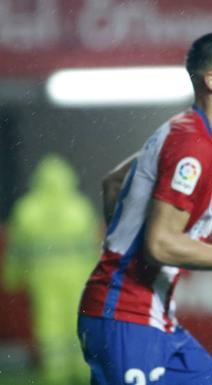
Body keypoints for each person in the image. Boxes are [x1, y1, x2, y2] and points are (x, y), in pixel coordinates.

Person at [77, 32, 212, 385]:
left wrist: (122, 245)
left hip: (150, 317)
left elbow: (115, 183)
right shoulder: (194, 146)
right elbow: (161, 244)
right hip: (125, 316)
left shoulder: (182, 132)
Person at [3, 153, 99, 385]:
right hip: (77, 276)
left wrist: (11, 278)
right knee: (79, 323)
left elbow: (16, 250)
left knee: (50, 325)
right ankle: (83, 370)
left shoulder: (26, 209)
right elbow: (93, 248)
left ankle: (56, 375)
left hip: (43, 277)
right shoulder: (80, 207)